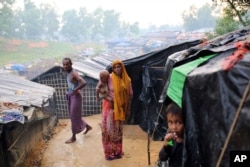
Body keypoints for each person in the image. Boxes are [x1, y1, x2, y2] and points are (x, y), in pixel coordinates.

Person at [101, 59, 133, 160]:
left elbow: (130, 95)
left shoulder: (127, 80)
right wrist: (111, 99)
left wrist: (128, 109)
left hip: (121, 108)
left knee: (118, 131)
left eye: (118, 66)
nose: (117, 69)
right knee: (109, 131)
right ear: (112, 69)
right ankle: (109, 153)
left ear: (122, 67)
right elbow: (101, 91)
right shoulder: (109, 78)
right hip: (110, 108)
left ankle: (117, 152)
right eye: (114, 67)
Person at [62, 57, 92, 144]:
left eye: (67, 64)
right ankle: (87, 126)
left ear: (71, 64)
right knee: (74, 116)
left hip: (76, 97)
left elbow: (84, 82)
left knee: (73, 117)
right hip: (71, 96)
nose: (65, 66)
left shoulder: (73, 73)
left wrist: (75, 90)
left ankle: (73, 137)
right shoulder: (68, 72)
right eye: (64, 64)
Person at [158, 102, 184, 167]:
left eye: (178, 123)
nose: (174, 127)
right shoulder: (171, 140)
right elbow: (163, 157)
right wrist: (165, 147)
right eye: (170, 122)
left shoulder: (189, 142)